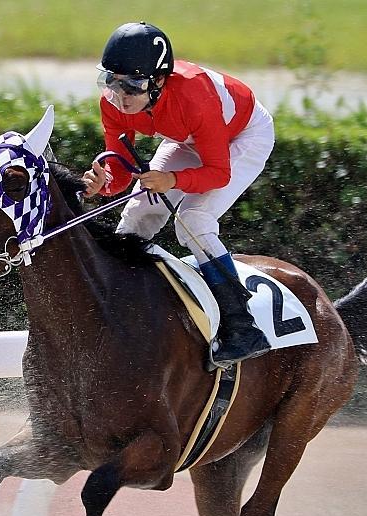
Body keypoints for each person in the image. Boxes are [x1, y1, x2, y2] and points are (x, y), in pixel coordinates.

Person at [82, 21, 275, 365]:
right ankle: (114, 302)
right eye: (111, 82)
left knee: (193, 219)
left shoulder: (194, 96)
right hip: (188, 138)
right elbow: (120, 176)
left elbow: (218, 173)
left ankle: (242, 327)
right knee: (139, 211)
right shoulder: (113, 104)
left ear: (159, 81)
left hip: (243, 136)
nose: (121, 98)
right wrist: (103, 185)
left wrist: (171, 179)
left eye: (132, 86)